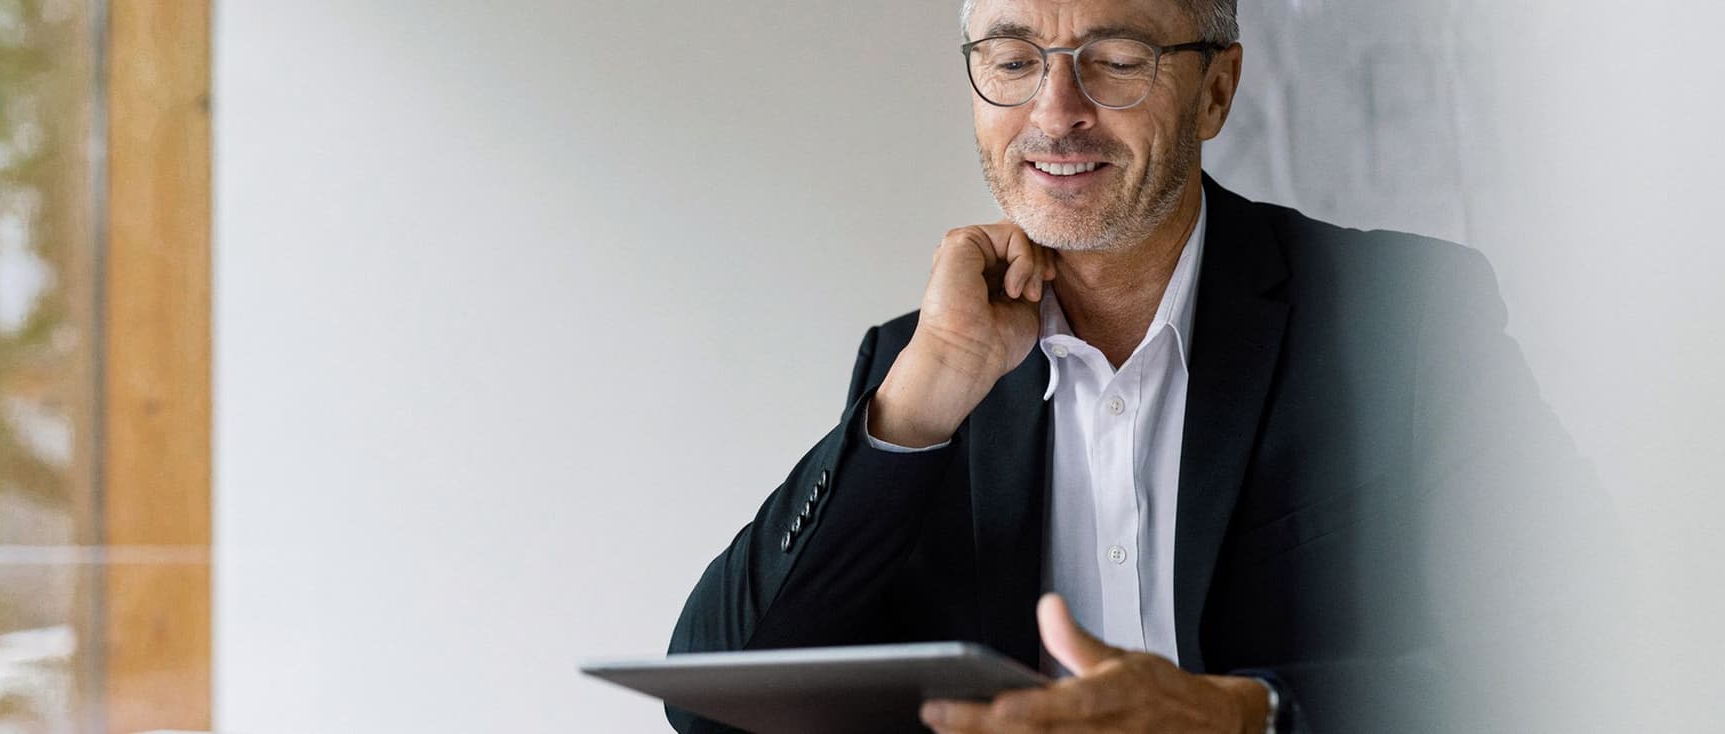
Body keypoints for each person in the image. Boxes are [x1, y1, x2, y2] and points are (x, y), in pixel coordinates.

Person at [668, 1, 1605, 731]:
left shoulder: (1401, 314)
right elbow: (711, 698)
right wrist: (926, 389)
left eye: (1116, 61)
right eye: (1012, 59)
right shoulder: (920, 367)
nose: (1056, 111)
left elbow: (1579, 659)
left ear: (1216, 91)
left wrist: (1250, 717)